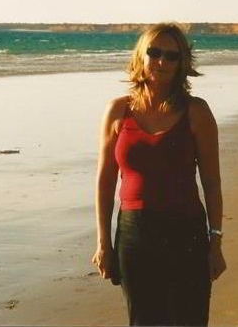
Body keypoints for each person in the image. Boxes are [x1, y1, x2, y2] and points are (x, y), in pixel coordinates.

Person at [91, 23, 226, 326]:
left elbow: (212, 183)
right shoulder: (117, 111)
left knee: (189, 320)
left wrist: (215, 242)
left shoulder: (197, 112)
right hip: (135, 234)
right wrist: (103, 242)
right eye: (154, 52)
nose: (162, 61)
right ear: (141, 55)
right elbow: (105, 180)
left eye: (172, 56)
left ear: (183, 63)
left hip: (186, 233)